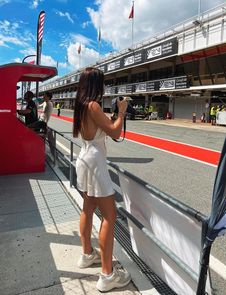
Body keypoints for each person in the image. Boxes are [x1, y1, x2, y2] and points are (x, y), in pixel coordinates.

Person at [73, 67, 131, 292]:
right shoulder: (94, 105)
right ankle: (107, 274)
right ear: (96, 84)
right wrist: (122, 112)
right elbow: (115, 133)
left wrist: (114, 117)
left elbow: (100, 130)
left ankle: (87, 254)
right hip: (95, 160)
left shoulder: (81, 105)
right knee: (110, 215)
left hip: (84, 156)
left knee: (87, 208)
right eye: (102, 83)